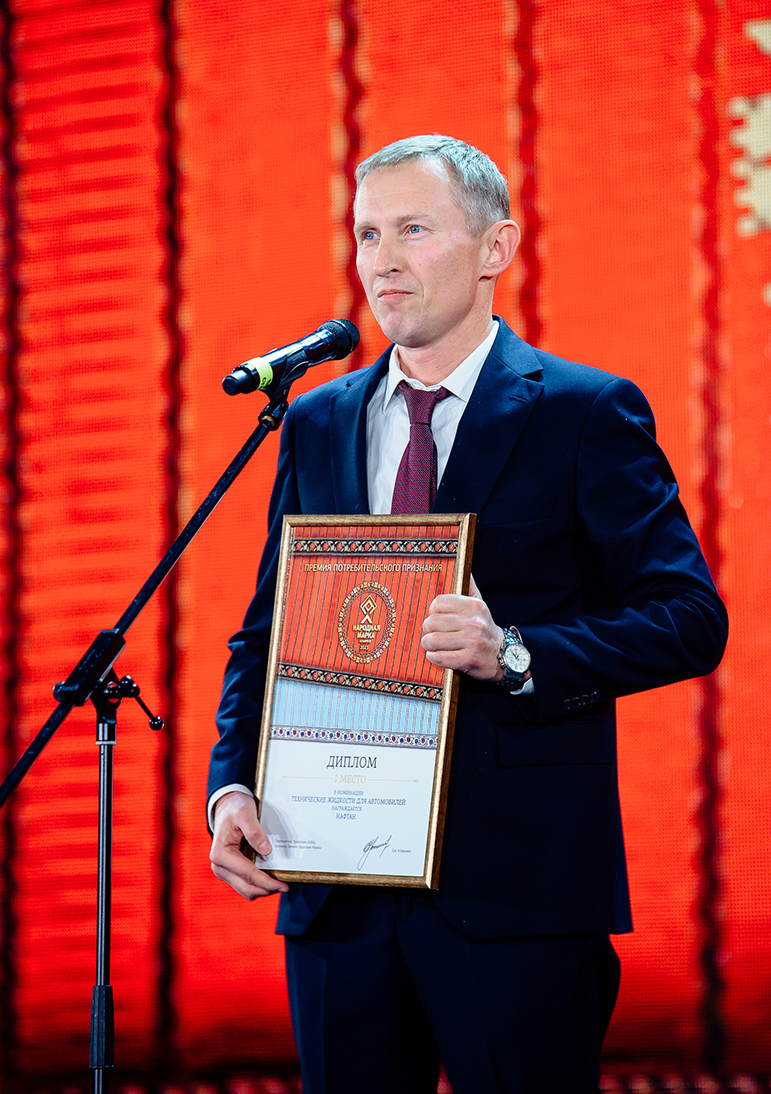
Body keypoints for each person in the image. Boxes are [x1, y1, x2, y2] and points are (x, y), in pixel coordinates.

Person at [207, 135, 728, 1094]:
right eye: (368, 234)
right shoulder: (317, 419)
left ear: (497, 247)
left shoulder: (582, 411)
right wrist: (232, 785)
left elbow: (690, 617)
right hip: (337, 886)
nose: (382, 260)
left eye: (413, 229)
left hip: (517, 888)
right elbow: (268, 631)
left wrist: (516, 655)